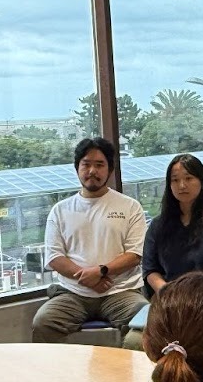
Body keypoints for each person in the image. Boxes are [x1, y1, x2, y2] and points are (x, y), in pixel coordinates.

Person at [31, 138, 148, 343]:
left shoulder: (130, 206)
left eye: (99, 165)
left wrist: (101, 271)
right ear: (77, 168)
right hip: (73, 294)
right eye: (86, 164)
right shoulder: (60, 210)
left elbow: (135, 254)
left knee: (147, 324)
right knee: (43, 322)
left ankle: (127, 364)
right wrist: (87, 278)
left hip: (121, 292)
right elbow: (55, 257)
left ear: (110, 170)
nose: (92, 171)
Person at [124, 154, 203, 350]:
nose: (182, 185)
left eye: (188, 178)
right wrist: (166, 291)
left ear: (202, 181)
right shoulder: (159, 225)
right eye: (175, 180)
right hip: (169, 302)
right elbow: (150, 269)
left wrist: (187, 299)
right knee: (134, 341)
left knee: (191, 343)